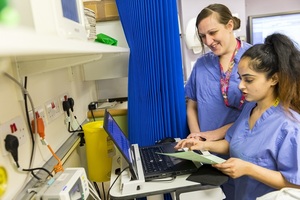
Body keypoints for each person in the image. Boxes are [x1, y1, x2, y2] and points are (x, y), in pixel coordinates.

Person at [176, 33, 300, 200]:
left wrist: (249, 169)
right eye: (240, 79)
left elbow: (295, 184)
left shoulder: (289, 126)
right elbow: (233, 143)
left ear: (274, 79)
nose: (241, 86)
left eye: (249, 80)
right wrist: (203, 146)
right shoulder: (250, 108)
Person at [184, 3, 251, 199]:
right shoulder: (202, 65)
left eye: (213, 33)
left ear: (229, 26)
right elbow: (192, 105)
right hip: (208, 154)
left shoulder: (253, 60)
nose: (208, 41)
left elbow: (255, 113)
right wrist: (197, 135)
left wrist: (212, 135)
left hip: (241, 150)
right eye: (203, 36)